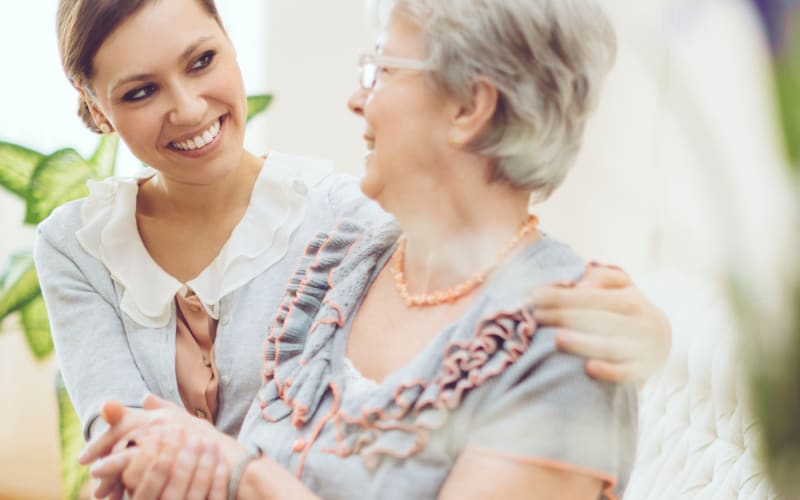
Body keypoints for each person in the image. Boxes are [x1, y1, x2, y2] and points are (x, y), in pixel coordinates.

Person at [81, 0, 641, 498]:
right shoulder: (339, 268)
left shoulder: (568, 343)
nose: (356, 100)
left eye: (382, 71)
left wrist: (242, 475)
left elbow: (241, 468)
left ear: (470, 106)